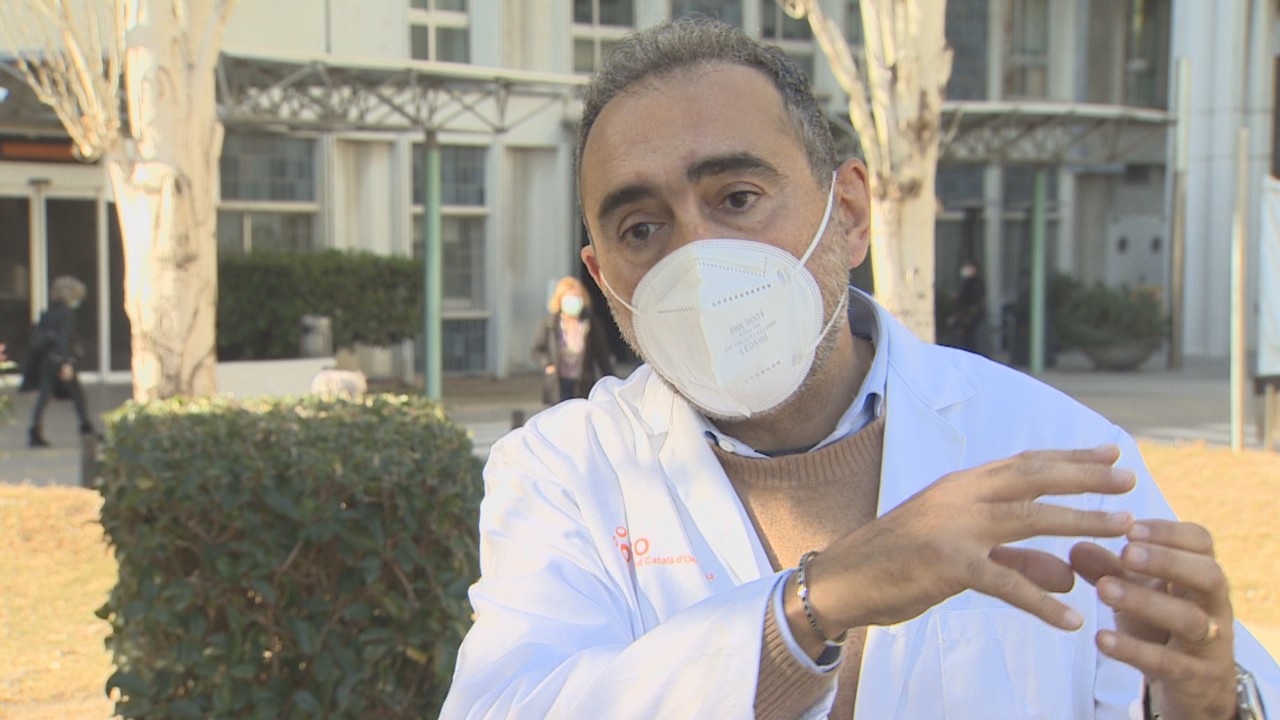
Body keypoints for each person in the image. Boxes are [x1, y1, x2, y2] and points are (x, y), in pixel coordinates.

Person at [442, 18, 1277, 720]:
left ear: (847, 214)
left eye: (738, 198)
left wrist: (1210, 705)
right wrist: (819, 601)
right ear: (603, 279)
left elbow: (1187, 680)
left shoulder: (1055, 448)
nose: (695, 258)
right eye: (641, 229)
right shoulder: (565, 471)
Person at [21, 276, 98, 447]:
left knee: (44, 397)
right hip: (60, 360)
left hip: (47, 360)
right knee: (78, 396)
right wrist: (66, 362)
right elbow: (63, 339)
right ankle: (87, 428)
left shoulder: (49, 313)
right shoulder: (67, 314)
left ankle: (34, 431)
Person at [530, 275, 615, 405]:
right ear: (560, 300)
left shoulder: (590, 323)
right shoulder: (550, 323)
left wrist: (610, 381)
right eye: (570, 298)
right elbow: (537, 350)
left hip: (582, 384)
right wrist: (548, 365)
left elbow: (602, 354)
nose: (574, 301)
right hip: (558, 384)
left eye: (577, 297)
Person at [944, 259, 987, 355]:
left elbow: (971, 300)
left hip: (970, 315)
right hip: (970, 315)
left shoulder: (975, 283)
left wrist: (965, 317)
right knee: (967, 339)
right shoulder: (972, 282)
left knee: (968, 339)